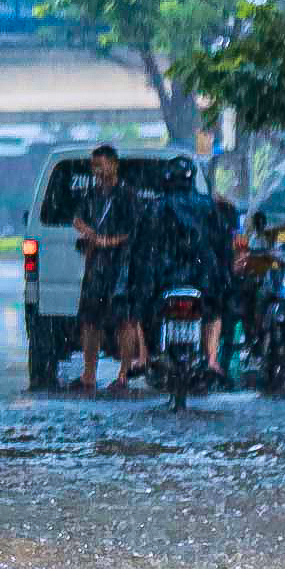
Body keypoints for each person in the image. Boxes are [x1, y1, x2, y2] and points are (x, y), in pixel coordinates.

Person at [134, 154, 233, 380]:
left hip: (164, 276)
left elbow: (141, 246)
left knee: (140, 309)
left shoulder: (155, 206)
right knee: (214, 311)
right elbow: (222, 243)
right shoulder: (209, 206)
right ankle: (211, 359)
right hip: (202, 276)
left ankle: (143, 356)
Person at [71, 143, 140, 393]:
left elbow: (133, 231)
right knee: (90, 320)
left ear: (114, 164)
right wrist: (87, 231)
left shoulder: (127, 195)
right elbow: (76, 217)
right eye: (94, 167)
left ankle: (123, 375)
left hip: (121, 266)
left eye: (101, 165)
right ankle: (88, 375)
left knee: (124, 321)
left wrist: (106, 242)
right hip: (95, 266)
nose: (97, 171)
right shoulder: (91, 194)